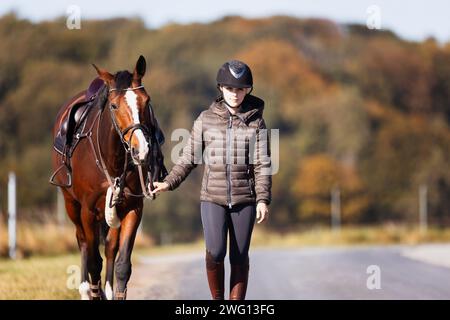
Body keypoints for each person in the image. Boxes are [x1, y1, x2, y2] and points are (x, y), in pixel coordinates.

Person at [151, 60, 272, 300]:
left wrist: (262, 199)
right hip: (212, 198)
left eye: (240, 89)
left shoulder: (256, 122)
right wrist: (169, 182)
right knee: (216, 252)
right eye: (229, 89)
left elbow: (262, 164)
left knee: (239, 255)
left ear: (247, 90)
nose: (235, 94)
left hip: (245, 199)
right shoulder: (205, 119)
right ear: (220, 88)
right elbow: (188, 157)